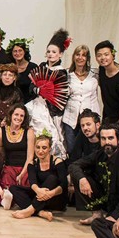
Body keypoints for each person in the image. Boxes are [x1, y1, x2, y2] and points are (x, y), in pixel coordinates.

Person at [68, 124, 119, 225]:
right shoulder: (99, 154)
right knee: (79, 175)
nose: (107, 142)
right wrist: (82, 179)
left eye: (110, 138)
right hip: (105, 198)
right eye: (103, 138)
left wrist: (116, 215)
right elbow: (74, 165)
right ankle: (97, 214)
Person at [26, 29, 71, 160]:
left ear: (60, 54)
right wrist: (37, 90)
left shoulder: (61, 72)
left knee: (53, 136)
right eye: (49, 51)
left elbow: (60, 95)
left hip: (52, 109)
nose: (50, 54)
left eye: (54, 52)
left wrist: (45, 94)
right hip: (37, 104)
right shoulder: (42, 67)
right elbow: (31, 86)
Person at [8, 131, 68, 220]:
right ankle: (40, 212)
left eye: (44, 148)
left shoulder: (57, 162)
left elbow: (64, 185)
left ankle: (30, 210)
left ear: (50, 149)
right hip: (39, 196)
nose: (40, 151)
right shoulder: (32, 164)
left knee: (52, 178)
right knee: (13, 188)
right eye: (38, 147)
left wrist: (50, 193)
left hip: (55, 198)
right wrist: (39, 191)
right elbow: (33, 183)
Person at [62, 44, 100, 155]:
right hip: (70, 117)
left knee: (91, 148)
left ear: (87, 58)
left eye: (84, 55)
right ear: (73, 57)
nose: (80, 57)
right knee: (72, 149)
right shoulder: (66, 74)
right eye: (77, 54)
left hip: (91, 117)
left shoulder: (95, 73)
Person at [0, 103, 34, 189]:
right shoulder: (0, 132)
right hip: (9, 168)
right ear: (11, 115)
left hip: (25, 168)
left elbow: (30, 158)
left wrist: (22, 174)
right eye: (16, 114)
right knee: (7, 187)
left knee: (25, 187)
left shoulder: (29, 132)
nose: (19, 118)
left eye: (22, 116)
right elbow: (1, 155)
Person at [95, 40, 119, 124]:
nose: (103, 58)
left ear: (113, 55)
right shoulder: (102, 69)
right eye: (99, 55)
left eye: (106, 54)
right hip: (107, 117)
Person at [7, 37, 37, 103]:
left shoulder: (33, 67)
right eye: (15, 51)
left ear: (24, 52)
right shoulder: (9, 68)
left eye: (20, 50)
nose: (17, 53)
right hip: (11, 103)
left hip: (29, 103)